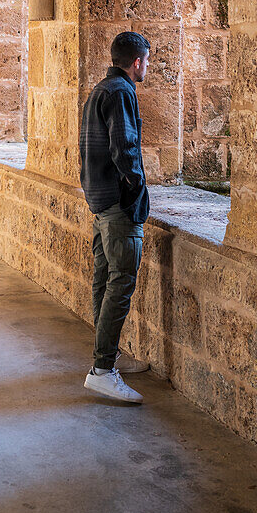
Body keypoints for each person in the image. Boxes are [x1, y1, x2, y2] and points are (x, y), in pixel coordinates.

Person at [79, 31, 151, 403]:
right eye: (146, 62)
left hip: (100, 199)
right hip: (118, 205)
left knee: (104, 280)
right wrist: (136, 186)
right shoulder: (122, 92)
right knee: (120, 283)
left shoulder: (100, 89)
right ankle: (103, 369)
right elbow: (125, 148)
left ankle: (107, 357)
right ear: (137, 62)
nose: (147, 69)